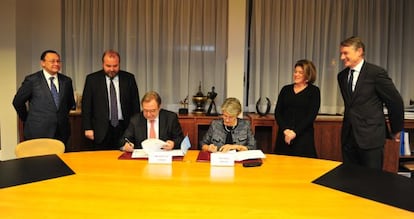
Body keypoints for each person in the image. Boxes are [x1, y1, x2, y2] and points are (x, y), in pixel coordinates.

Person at [337, 36, 404, 170]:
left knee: (371, 182)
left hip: (371, 137)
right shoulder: (342, 76)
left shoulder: (376, 73)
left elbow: (395, 101)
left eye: (346, 53)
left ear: (359, 51)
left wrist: (396, 129)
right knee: (350, 181)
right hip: (349, 138)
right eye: (341, 53)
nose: (342, 57)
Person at [13, 50, 76, 146]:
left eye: (58, 61)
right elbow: (18, 102)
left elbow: (69, 103)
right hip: (38, 131)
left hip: (61, 132)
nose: (56, 64)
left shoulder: (66, 81)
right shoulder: (32, 80)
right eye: (52, 61)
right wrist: (27, 118)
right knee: (39, 161)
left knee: (60, 160)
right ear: (43, 63)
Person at [82, 50, 140, 150]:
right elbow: (86, 106)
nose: (112, 69)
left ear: (119, 64)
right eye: (108, 66)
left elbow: (135, 105)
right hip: (100, 128)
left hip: (124, 127)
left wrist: (135, 128)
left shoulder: (129, 78)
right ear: (102, 64)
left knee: (124, 159)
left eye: (115, 66)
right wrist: (88, 128)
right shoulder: (92, 79)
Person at [274, 59, 320, 158]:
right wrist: (286, 130)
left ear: (308, 74)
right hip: (284, 135)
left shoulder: (314, 91)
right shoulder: (285, 89)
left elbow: (311, 115)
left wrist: (295, 132)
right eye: (295, 72)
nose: (296, 74)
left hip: (303, 136)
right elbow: (278, 112)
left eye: (300, 72)